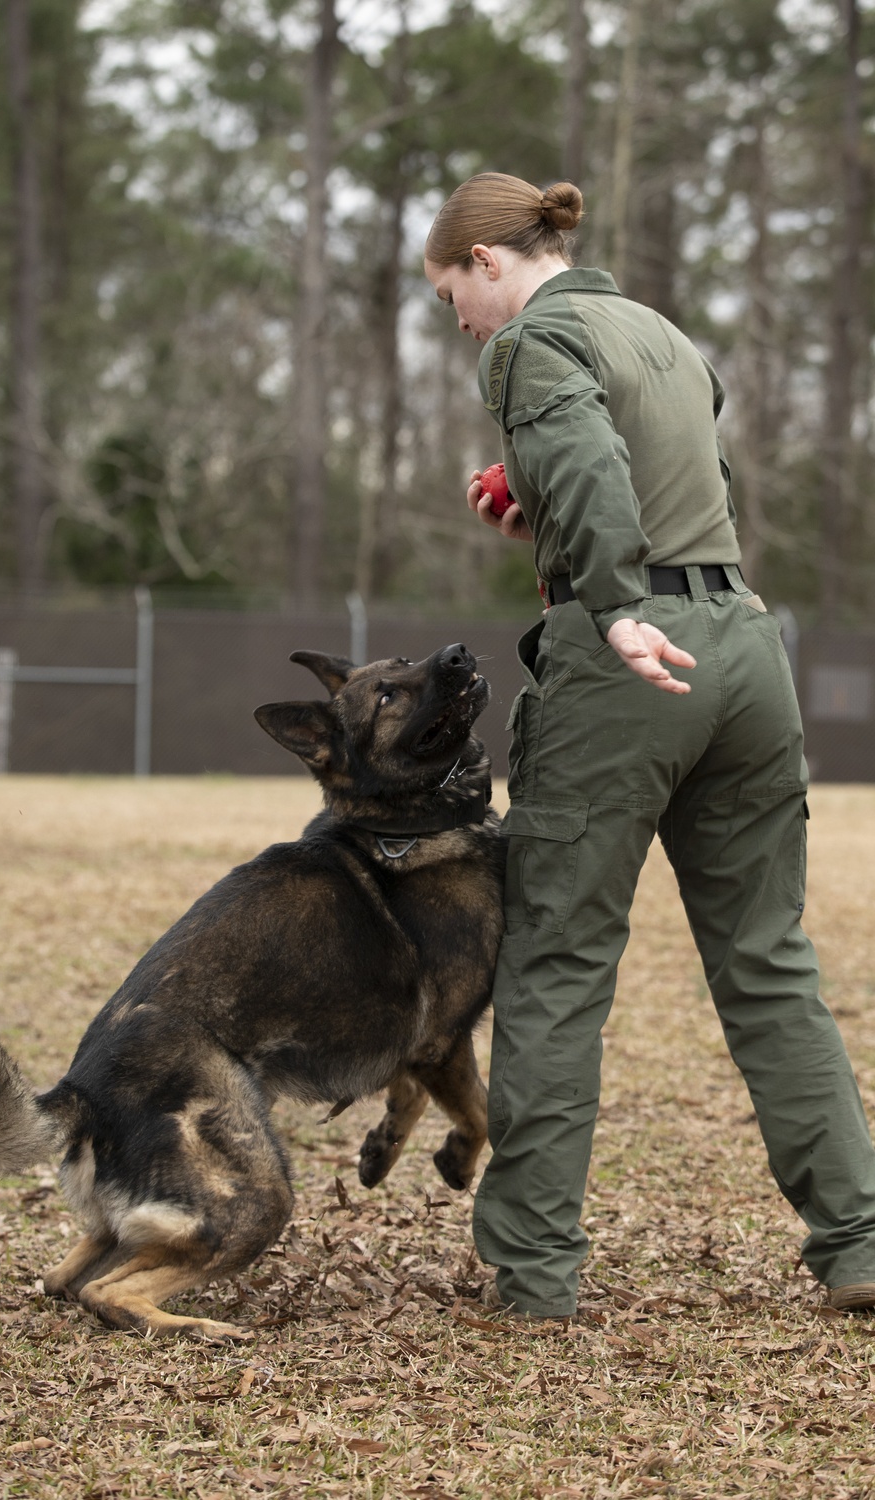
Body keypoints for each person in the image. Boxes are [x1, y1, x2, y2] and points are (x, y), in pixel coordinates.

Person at [424, 172, 875, 1320]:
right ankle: (861, 1240)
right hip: (741, 645)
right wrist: (549, 518)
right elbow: (693, 485)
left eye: (448, 297)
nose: (460, 324)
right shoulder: (663, 336)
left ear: (486, 261)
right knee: (769, 966)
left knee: (558, 964)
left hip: (632, 663)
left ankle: (530, 1273)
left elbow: (582, 463)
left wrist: (613, 599)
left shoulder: (528, 343)